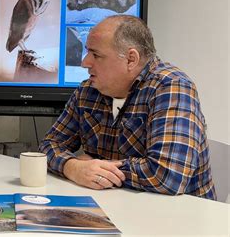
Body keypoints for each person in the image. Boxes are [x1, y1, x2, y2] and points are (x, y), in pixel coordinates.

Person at [40, 15, 216, 200]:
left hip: (181, 219)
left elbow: (167, 175)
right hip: (115, 206)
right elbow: (48, 146)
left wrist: (96, 168)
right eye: (87, 52)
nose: (85, 62)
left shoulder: (172, 87)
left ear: (131, 59)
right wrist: (72, 166)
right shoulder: (88, 90)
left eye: (96, 55)